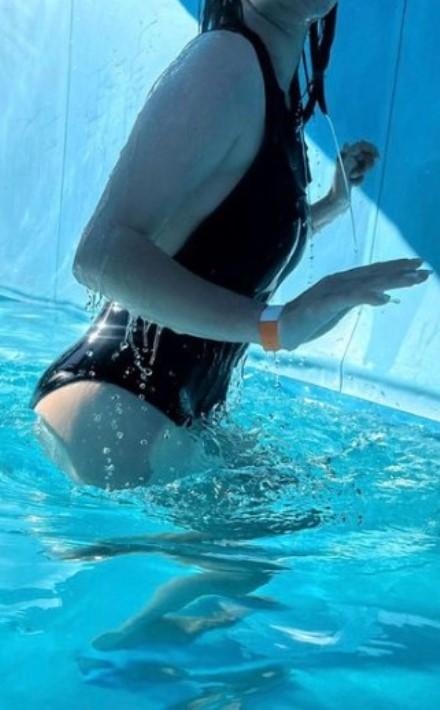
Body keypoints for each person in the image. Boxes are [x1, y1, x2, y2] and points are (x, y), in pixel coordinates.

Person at [31, 0, 431, 489]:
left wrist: (330, 206)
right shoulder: (224, 64)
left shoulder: (272, 87)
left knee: (297, 511)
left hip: (166, 412)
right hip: (113, 408)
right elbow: (100, 256)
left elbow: (230, 243)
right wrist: (274, 325)